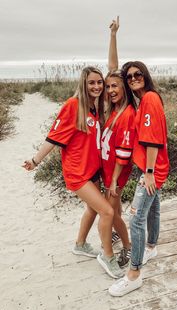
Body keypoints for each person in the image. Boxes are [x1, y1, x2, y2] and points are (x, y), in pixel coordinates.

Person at [22, 66, 124, 279]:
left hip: (92, 170)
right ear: (83, 84)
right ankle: (108, 256)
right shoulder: (73, 105)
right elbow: (53, 137)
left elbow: (114, 66)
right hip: (77, 173)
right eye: (91, 83)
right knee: (107, 211)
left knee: (93, 210)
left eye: (99, 83)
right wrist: (35, 160)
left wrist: (113, 36)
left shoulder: (95, 106)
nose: (97, 87)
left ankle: (80, 244)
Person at [108, 29, 169, 295]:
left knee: (136, 219)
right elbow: (112, 69)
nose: (132, 78)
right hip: (150, 167)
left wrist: (150, 172)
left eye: (137, 74)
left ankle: (134, 276)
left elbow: (153, 139)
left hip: (150, 169)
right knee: (153, 209)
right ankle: (152, 248)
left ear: (145, 76)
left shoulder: (151, 99)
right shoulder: (140, 102)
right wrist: (113, 36)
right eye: (129, 76)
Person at [100, 17, 135, 268]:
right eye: (108, 86)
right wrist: (113, 35)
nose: (111, 89)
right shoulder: (112, 109)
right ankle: (118, 232)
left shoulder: (127, 115)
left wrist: (113, 180)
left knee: (111, 212)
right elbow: (113, 66)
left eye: (115, 86)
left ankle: (129, 247)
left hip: (116, 172)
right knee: (114, 208)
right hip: (107, 168)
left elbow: (124, 153)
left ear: (124, 89)